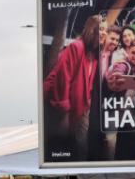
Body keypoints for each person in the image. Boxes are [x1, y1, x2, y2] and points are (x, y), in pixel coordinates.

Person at [43, 15, 101, 160]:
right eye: (102, 31)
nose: (104, 35)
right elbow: (63, 78)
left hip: (80, 108)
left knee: (79, 144)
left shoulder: (93, 55)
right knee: (61, 145)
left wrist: (87, 100)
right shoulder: (77, 47)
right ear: (92, 31)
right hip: (62, 108)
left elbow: (87, 81)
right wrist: (64, 111)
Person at [106, 38, 135, 159]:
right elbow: (118, 70)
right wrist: (117, 76)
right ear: (128, 51)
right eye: (133, 52)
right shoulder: (123, 63)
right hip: (120, 109)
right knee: (118, 140)